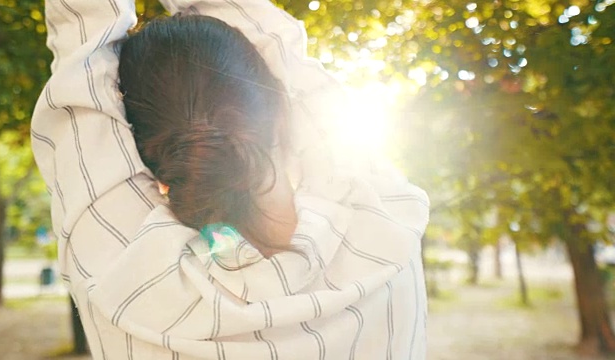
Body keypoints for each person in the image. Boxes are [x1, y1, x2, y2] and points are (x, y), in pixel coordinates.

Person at [31, 0, 430, 359]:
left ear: (145, 155)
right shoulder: (385, 217)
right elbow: (288, 60)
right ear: (282, 112)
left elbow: (81, 46)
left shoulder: (118, 266)